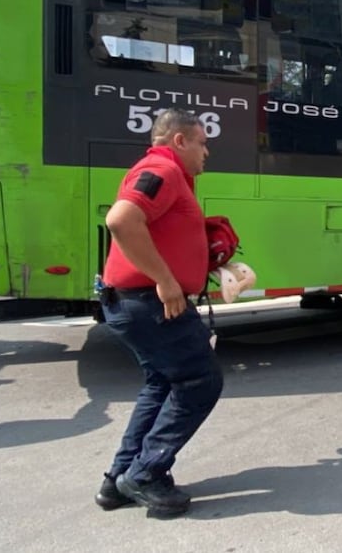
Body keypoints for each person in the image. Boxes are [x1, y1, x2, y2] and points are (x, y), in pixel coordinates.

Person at [93, 108, 223, 518]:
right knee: (201, 381)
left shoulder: (170, 176)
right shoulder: (161, 170)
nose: (207, 153)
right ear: (179, 141)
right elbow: (121, 219)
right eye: (202, 143)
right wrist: (166, 281)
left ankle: (118, 480)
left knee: (161, 384)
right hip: (151, 303)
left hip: (138, 302)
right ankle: (147, 473)